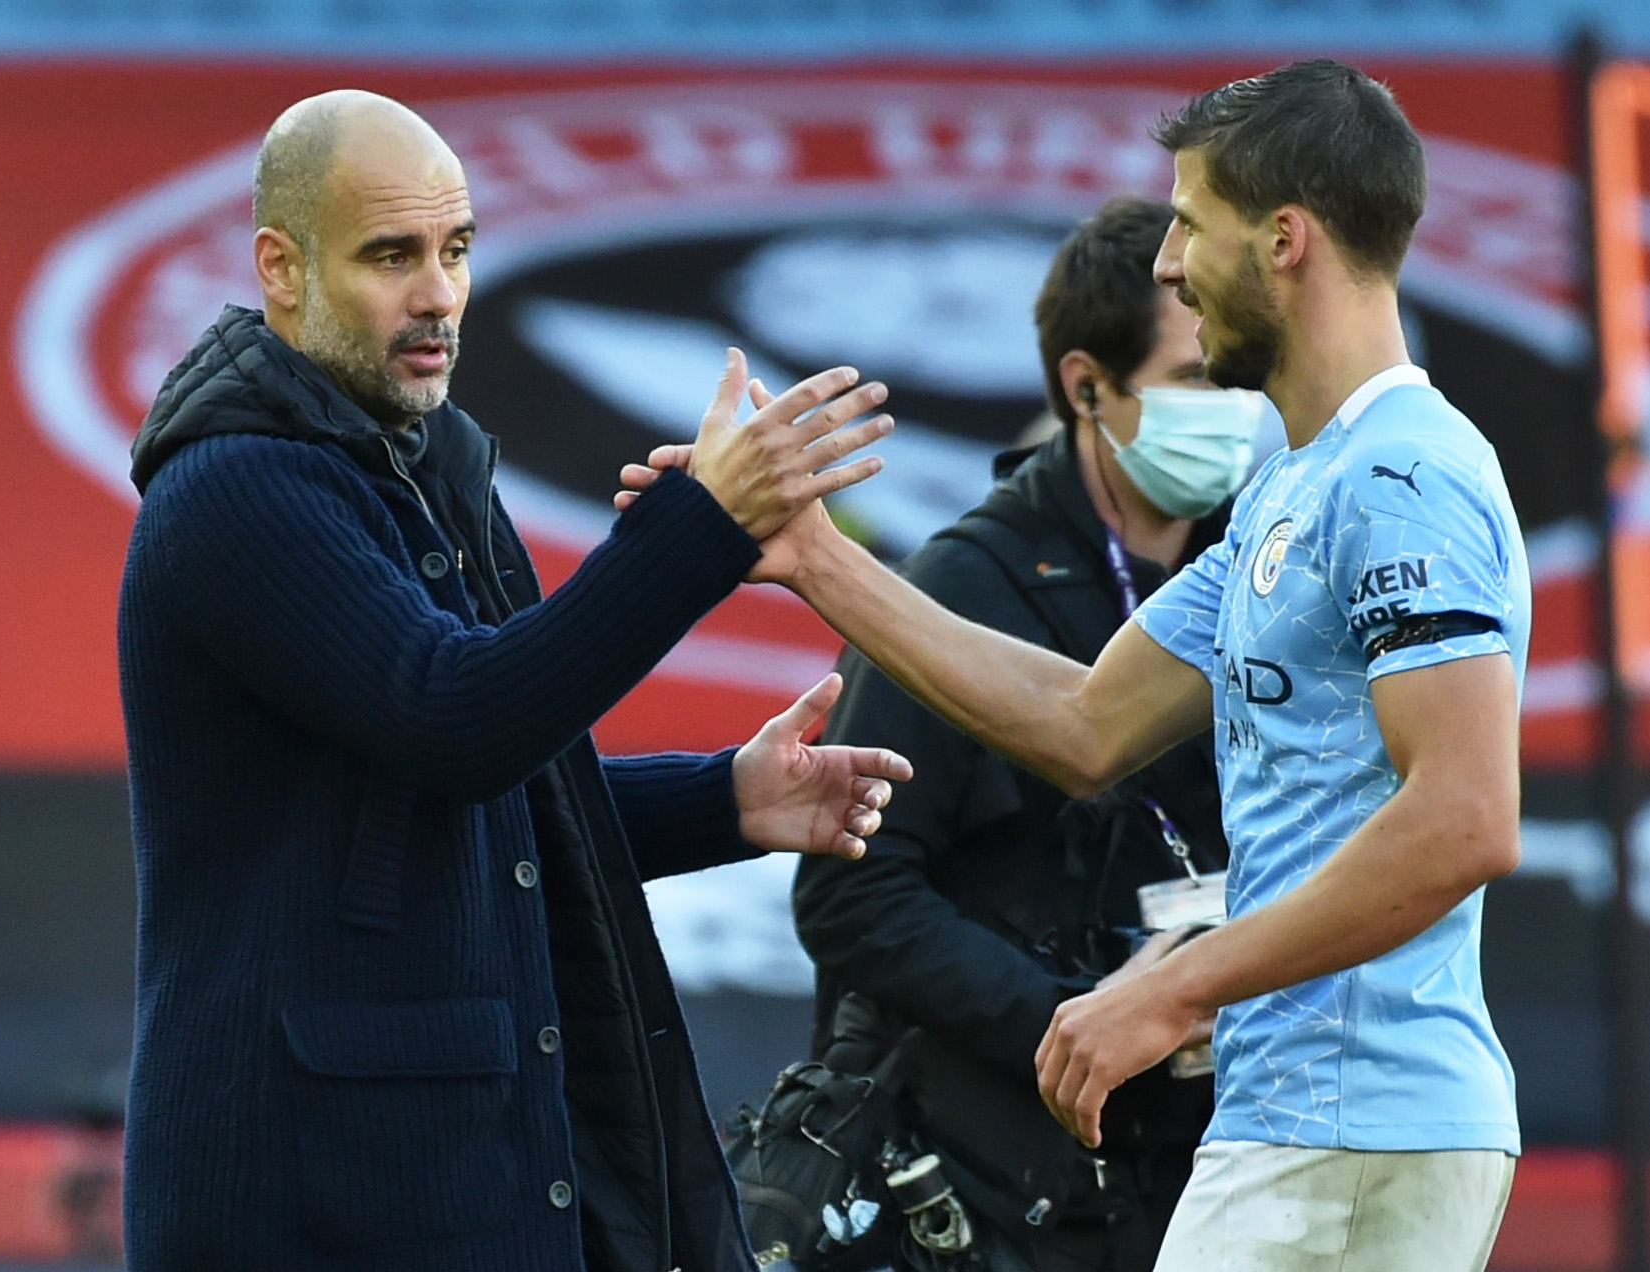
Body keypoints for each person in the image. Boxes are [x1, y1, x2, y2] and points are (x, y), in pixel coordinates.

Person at [622, 60, 1527, 1271]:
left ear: (1283, 240)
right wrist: (814, 559)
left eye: (1190, 226)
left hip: (1356, 1125)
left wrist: (1172, 988)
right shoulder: (1292, 488)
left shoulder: (1401, 476)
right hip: (1294, 1122)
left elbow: (1463, 817)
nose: (1167, 266)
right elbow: (1082, 721)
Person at [117, 89, 911, 1272]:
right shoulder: (237, 490)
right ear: (280, 268)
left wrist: (722, 799)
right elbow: (457, 719)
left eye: (456, 249)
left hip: (445, 1176)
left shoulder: (428, 466)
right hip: (309, 1196)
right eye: (391, 255)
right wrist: (698, 529)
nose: (439, 293)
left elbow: (489, 796)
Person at [790, 197, 1258, 1272]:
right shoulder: (958, 591)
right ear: (1085, 386)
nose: (1231, 412)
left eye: (1240, 378)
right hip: (986, 1189)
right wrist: (1079, 1023)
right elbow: (851, 896)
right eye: (1195, 381)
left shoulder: (1261, 564)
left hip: (1204, 1166)